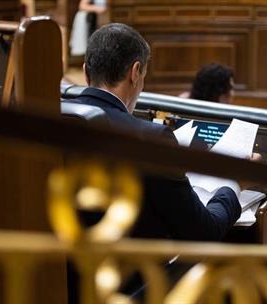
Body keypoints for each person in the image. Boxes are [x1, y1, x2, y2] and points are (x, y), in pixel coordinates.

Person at [67, 23, 241, 241]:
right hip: (140, 272)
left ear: (85, 71)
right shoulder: (151, 138)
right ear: (135, 72)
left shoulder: (54, 117)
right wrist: (231, 188)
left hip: (61, 268)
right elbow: (203, 231)